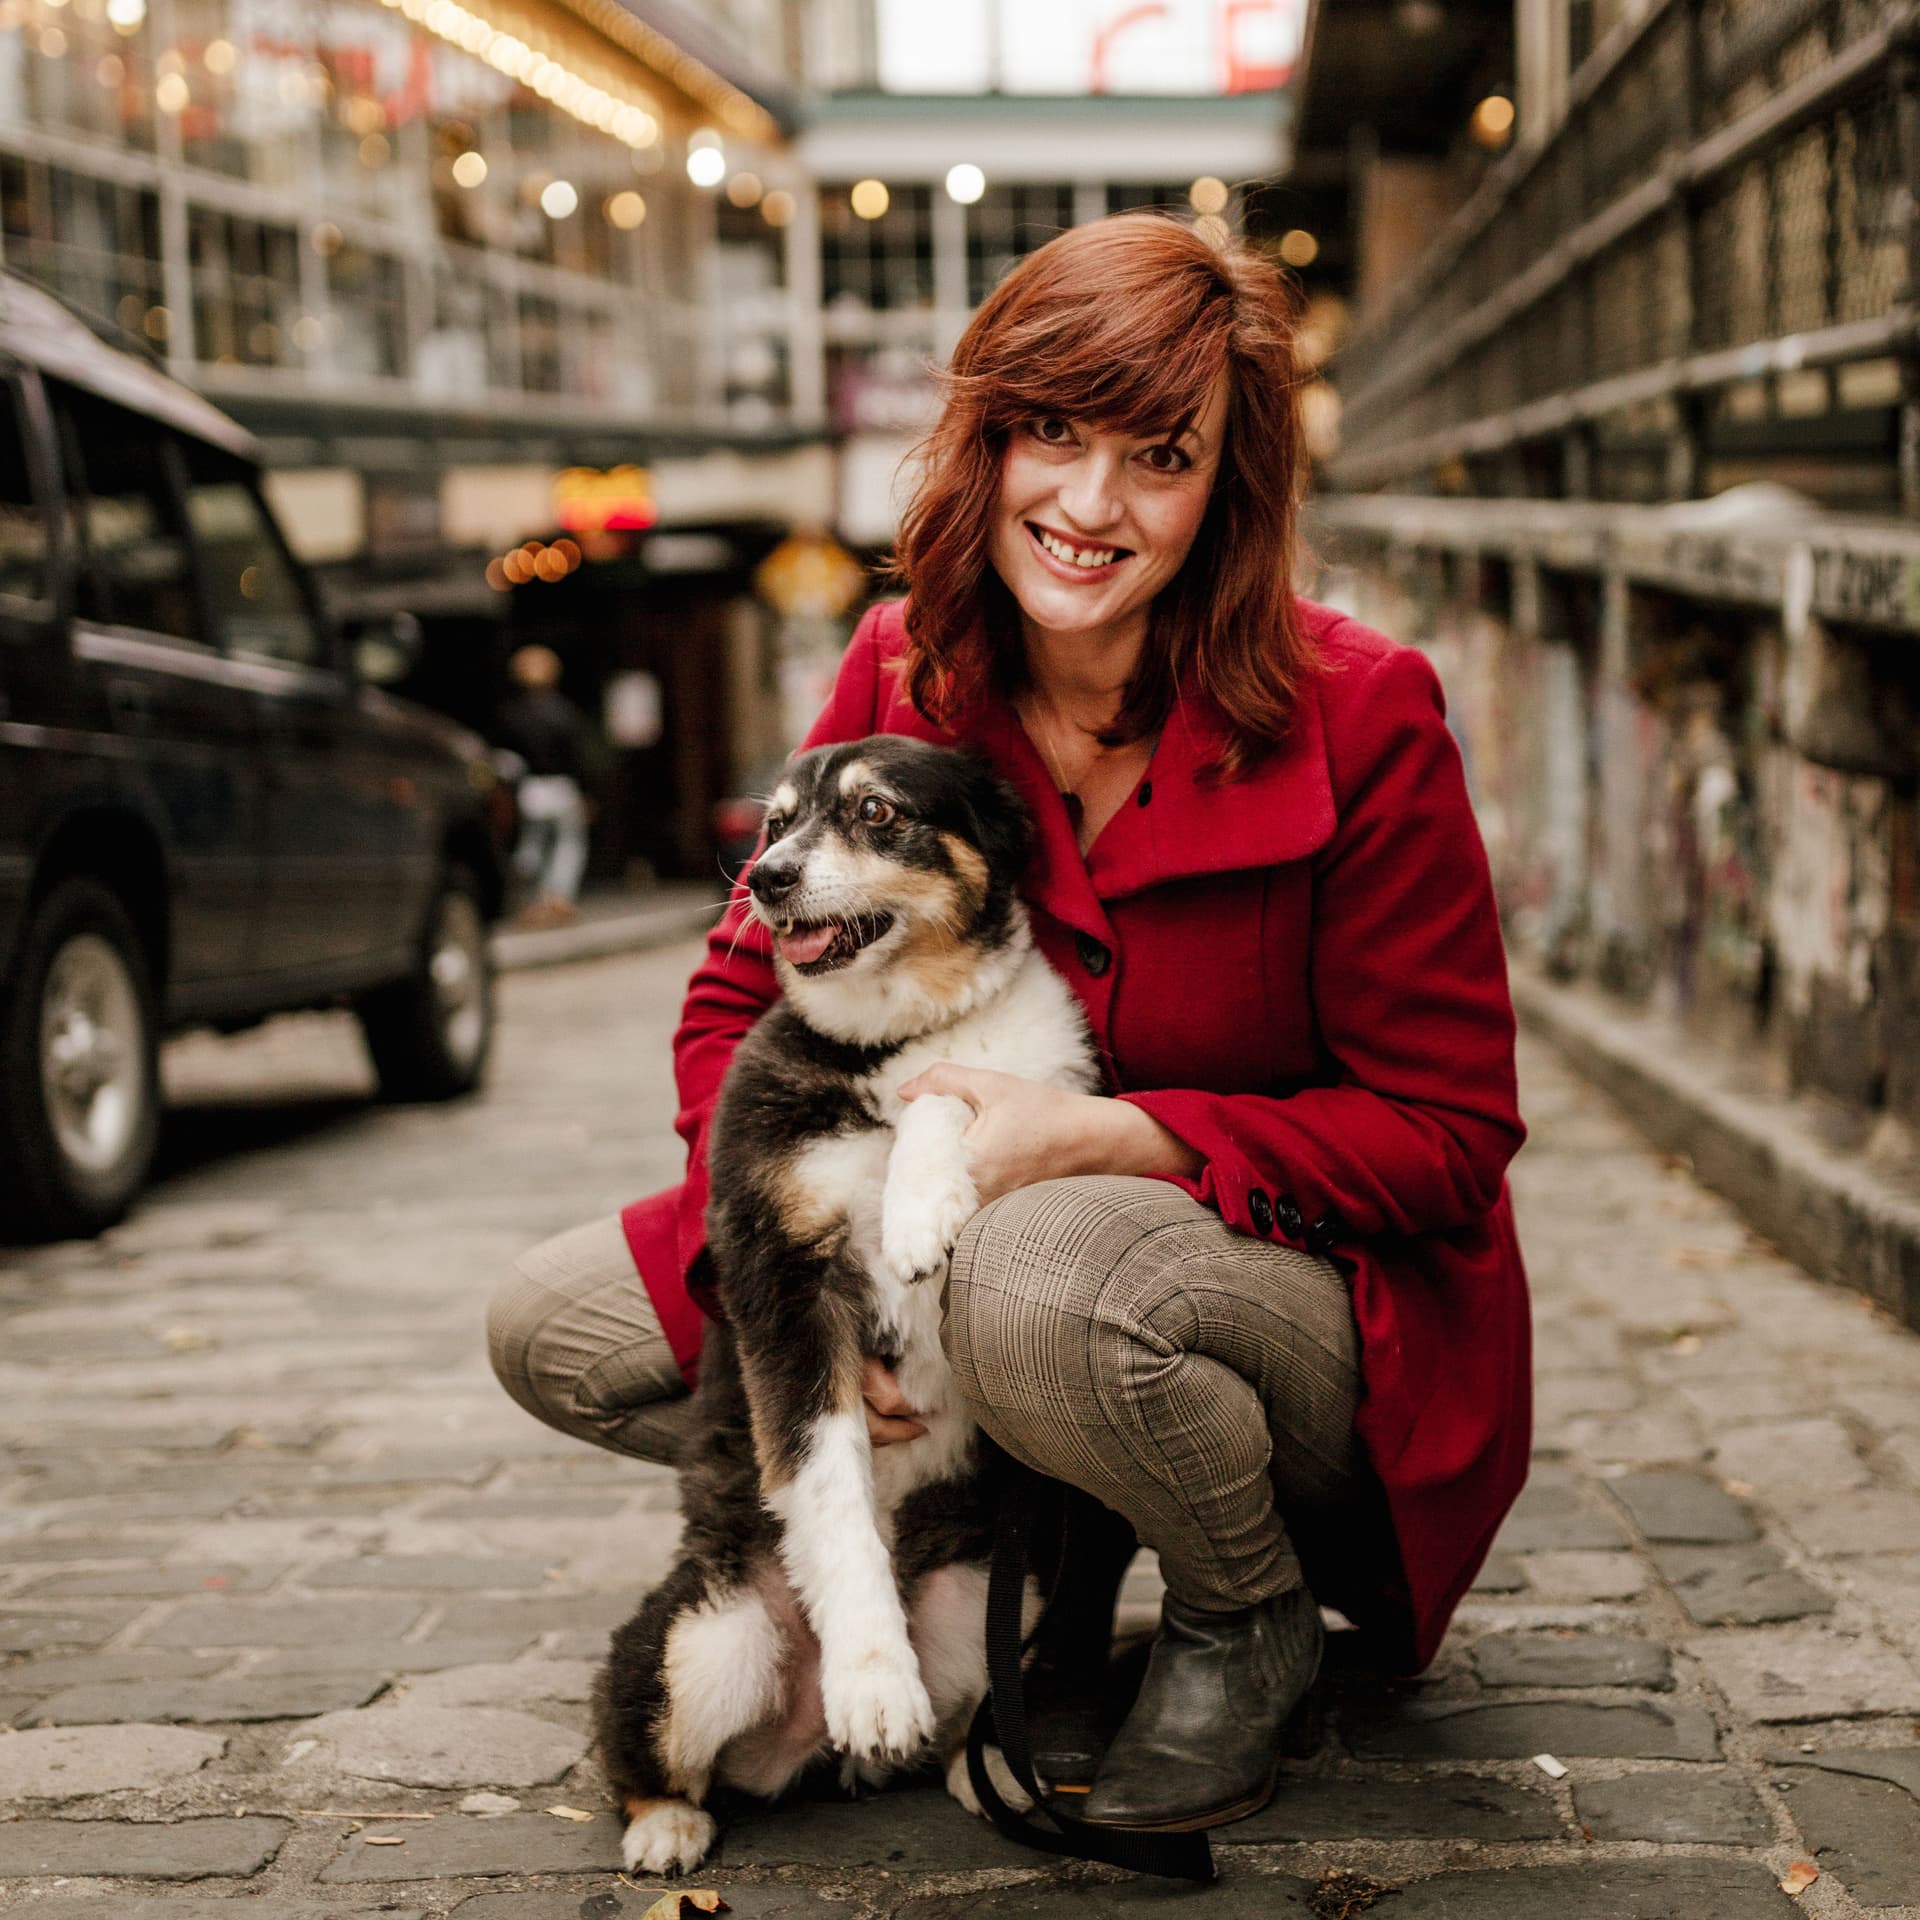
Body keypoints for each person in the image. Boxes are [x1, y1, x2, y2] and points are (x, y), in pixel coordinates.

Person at [487, 214, 1530, 1833]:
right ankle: (993, 1536)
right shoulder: (906, 666)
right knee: (556, 1326)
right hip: (931, 1265)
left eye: (1159, 455)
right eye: (1051, 433)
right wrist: (794, 1313)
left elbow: (1451, 1136)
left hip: (1276, 1298)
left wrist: (1129, 1135)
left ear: (1230, 490)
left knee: (1028, 1279)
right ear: (987, 438)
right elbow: (729, 995)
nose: (1089, 504)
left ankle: (1238, 1606)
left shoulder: (1363, 711)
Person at [497, 644, 590, 927]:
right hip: (561, 787)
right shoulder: (564, 712)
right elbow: (576, 756)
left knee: (530, 847)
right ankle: (559, 898)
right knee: (568, 845)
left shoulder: (510, 714)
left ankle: (531, 899)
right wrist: (585, 790)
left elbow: (504, 758)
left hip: (530, 789)